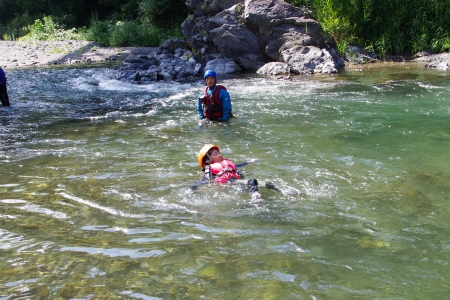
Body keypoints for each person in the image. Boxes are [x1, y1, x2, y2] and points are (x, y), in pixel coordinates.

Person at [194, 144, 280, 201]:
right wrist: (195, 187)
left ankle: (283, 190)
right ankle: (255, 196)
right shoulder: (208, 168)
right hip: (228, 183)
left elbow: (237, 166)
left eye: (219, 153)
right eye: (216, 154)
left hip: (235, 181)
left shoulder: (225, 164)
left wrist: (248, 162)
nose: (220, 155)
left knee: (266, 183)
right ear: (208, 160)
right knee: (252, 181)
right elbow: (204, 179)